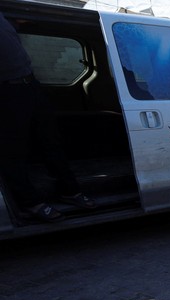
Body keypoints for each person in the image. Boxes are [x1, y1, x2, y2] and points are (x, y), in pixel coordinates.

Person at [0, 12, 96, 222]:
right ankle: (30, 203)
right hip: (7, 91)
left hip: (30, 85)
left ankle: (69, 191)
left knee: (50, 140)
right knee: (13, 151)